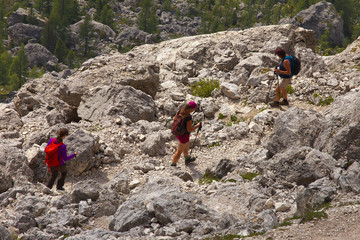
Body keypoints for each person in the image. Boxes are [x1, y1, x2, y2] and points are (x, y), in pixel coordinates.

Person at [171, 101, 201, 167]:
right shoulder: (188, 117)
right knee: (179, 151)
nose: (194, 110)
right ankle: (173, 164)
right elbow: (189, 129)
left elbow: (174, 119)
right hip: (183, 135)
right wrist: (197, 126)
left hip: (178, 132)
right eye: (194, 109)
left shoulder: (180, 111)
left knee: (187, 145)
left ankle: (187, 158)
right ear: (192, 109)